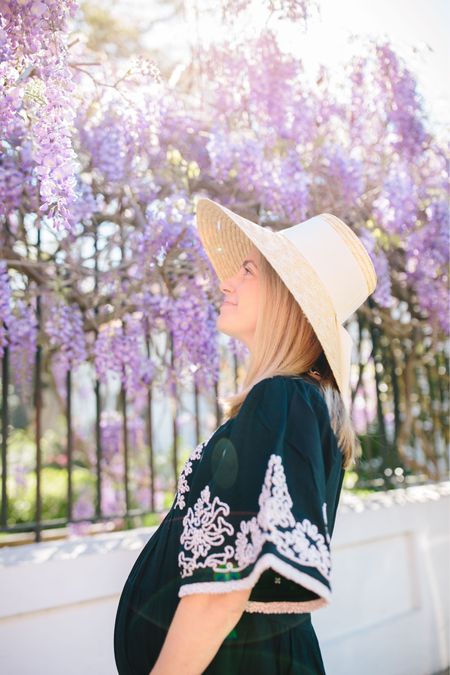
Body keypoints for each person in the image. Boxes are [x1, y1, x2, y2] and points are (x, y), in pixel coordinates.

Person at [113, 197, 378, 674]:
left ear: (288, 296)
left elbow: (225, 588)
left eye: (248, 270)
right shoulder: (296, 403)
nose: (225, 280)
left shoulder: (283, 400)